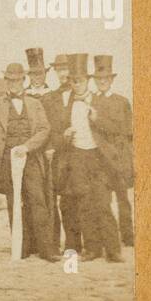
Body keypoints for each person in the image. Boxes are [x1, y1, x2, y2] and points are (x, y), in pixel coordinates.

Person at [0, 63, 58, 261]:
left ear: (23, 81)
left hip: (30, 158)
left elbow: (44, 129)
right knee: (14, 202)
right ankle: (22, 247)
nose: (14, 84)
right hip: (7, 159)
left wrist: (27, 147)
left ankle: (46, 249)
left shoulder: (35, 103)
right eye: (10, 80)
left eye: (17, 80)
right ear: (6, 81)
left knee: (38, 201)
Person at [55, 55, 123, 262]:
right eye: (74, 81)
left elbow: (115, 129)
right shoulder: (67, 102)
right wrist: (65, 136)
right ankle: (92, 249)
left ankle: (113, 250)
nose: (77, 85)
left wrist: (97, 119)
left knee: (103, 203)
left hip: (98, 158)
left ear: (88, 81)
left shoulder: (100, 101)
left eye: (81, 81)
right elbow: (57, 131)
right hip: (76, 157)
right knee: (84, 204)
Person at [91, 54, 134, 247]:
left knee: (123, 199)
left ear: (111, 80)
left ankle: (127, 235)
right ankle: (108, 236)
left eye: (106, 79)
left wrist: (128, 159)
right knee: (102, 200)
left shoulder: (121, 101)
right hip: (100, 159)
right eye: (99, 79)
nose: (102, 82)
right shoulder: (91, 102)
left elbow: (124, 130)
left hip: (119, 157)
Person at [42, 53, 79, 254]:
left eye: (65, 69)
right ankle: (53, 244)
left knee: (72, 200)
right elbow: (47, 128)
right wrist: (52, 146)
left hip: (78, 155)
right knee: (52, 199)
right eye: (59, 69)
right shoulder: (50, 98)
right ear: (55, 72)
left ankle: (74, 244)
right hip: (56, 155)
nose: (63, 73)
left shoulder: (81, 96)